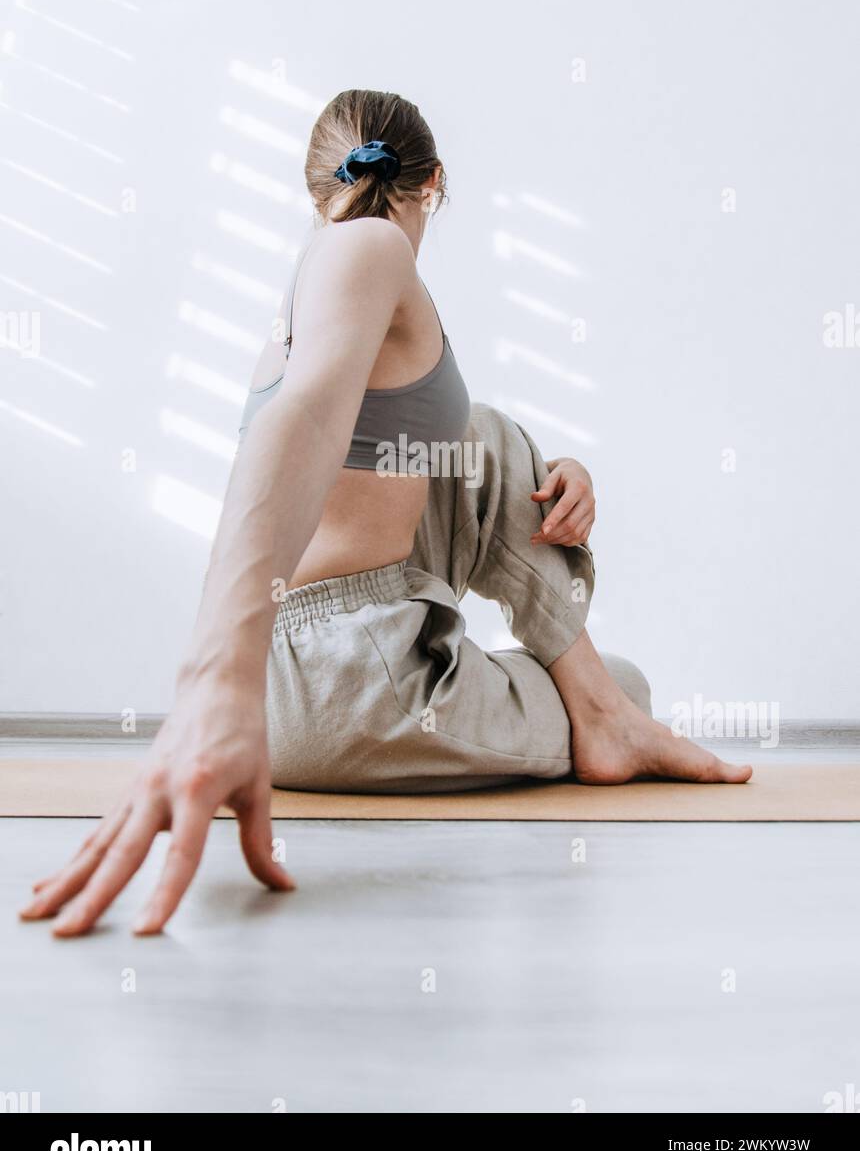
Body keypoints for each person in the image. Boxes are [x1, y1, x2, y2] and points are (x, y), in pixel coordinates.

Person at [20, 89, 751, 939]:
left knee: (479, 436)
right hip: (353, 687)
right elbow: (304, 421)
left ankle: (599, 714)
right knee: (629, 681)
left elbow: (412, 448)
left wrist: (558, 472)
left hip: (323, 662)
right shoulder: (365, 248)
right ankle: (605, 711)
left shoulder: (325, 269)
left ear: (313, 184)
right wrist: (211, 679)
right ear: (433, 183)